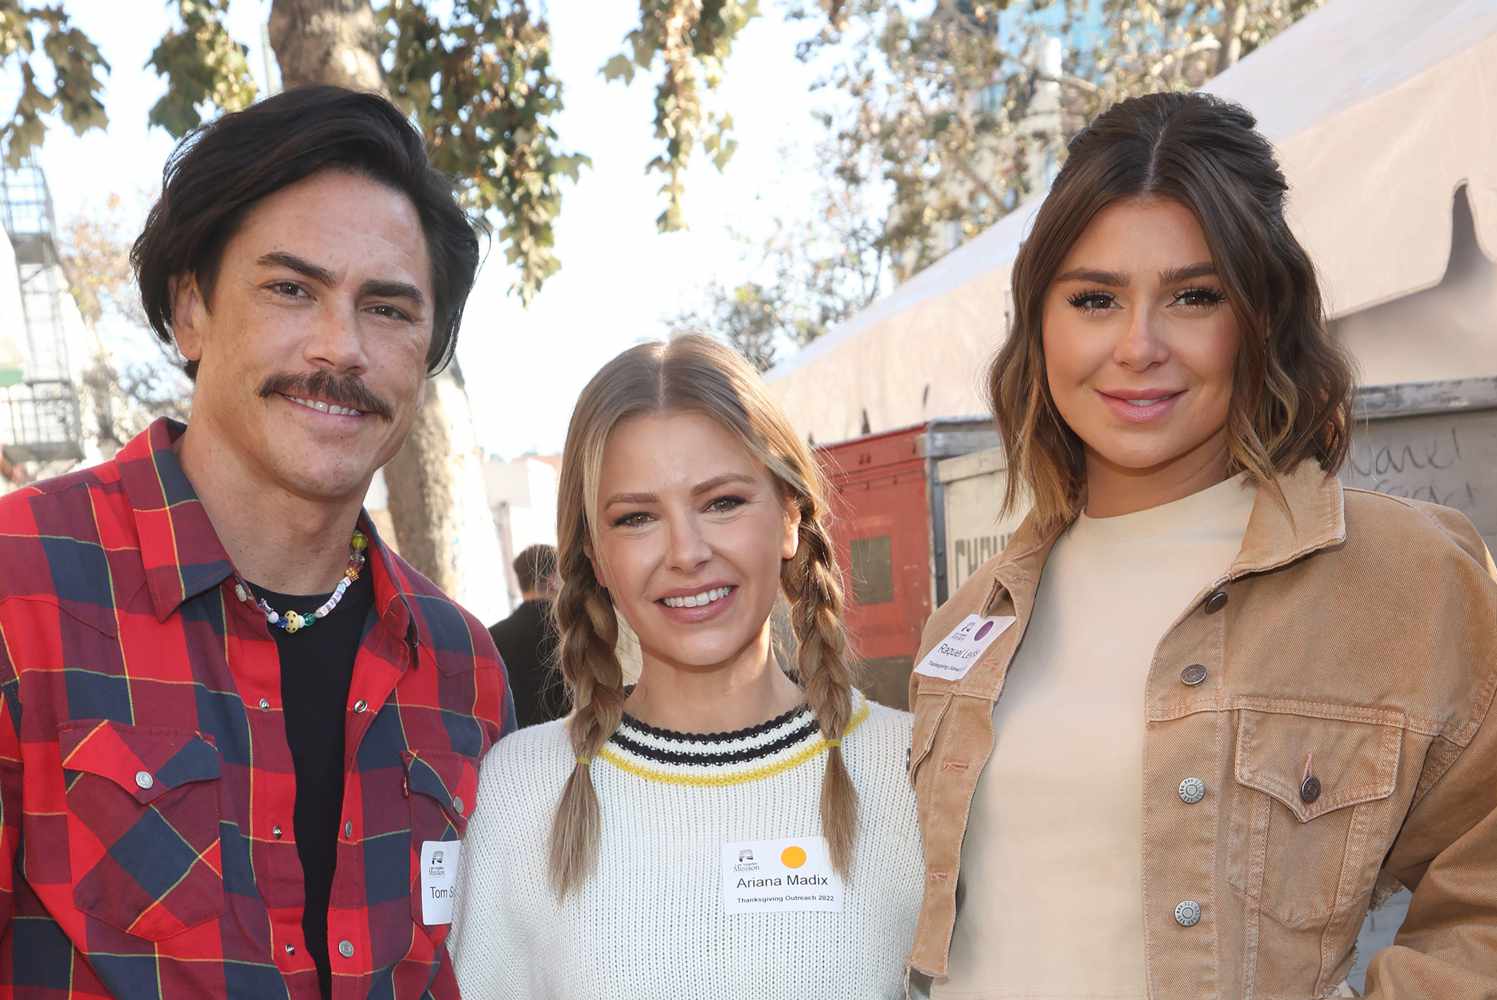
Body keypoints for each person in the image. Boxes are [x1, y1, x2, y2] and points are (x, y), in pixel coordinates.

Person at [908, 91, 1497, 999]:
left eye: (1194, 295)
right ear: (1040, 321)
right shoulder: (967, 622)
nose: (1138, 346)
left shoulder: (1408, 580)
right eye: (1095, 299)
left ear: (1261, 315)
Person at [0, 86, 514, 999]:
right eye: (291, 289)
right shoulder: (21, 587)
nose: (340, 347)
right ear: (190, 308)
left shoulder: (461, 668)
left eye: (389, 309)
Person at [450, 335, 922, 999]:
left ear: (789, 514)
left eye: (721, 502)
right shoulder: (518, 791)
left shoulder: (914, 773)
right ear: (595, 552)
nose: (686, 552)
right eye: (638, 517)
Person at [489, 543, 568, 726]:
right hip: (572, 741)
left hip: (516, 744)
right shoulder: (573, 629)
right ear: (552, 579)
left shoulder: (492, 637)